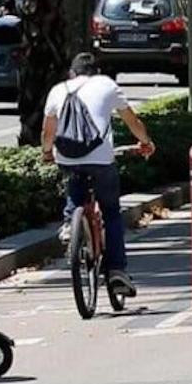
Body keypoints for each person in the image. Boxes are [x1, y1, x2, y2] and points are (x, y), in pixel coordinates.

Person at [42, 52, 155, 297]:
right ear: (97, 72)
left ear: (72, 73)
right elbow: (131, 120)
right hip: (101, 159)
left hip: (67, 158)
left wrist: (47, 153)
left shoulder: (58, 90)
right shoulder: (107, 85)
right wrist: (145, 142)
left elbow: (48, 129)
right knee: (112, 211)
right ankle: (116, 270)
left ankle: (71, 222)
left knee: (75, 181)